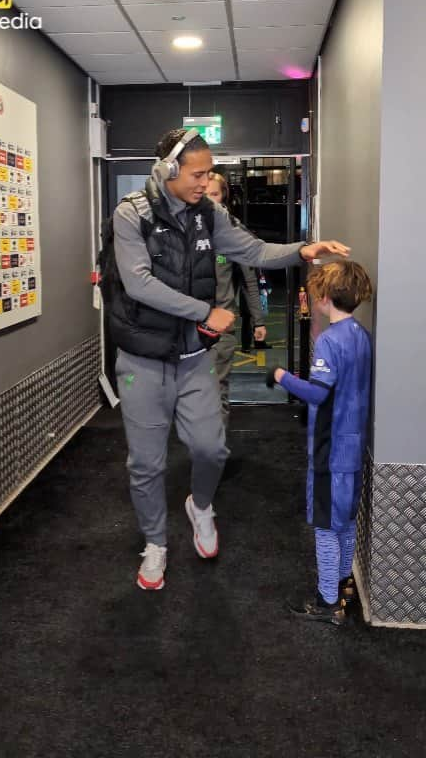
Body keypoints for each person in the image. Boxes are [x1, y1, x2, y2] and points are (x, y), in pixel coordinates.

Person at [111, 127, 350, 591]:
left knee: (211, 448)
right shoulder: (131, 216)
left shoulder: (209, 214)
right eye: (198, 174)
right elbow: (138, 283)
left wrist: (302, 250)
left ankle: (200, 505)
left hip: (193, 355)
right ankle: (155, 544)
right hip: (141, 358)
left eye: (209, 174)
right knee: (146, 463)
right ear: (167, 171)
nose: (205, 181)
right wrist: (206, 311)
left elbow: (253, 250)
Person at [266, 260, 372, 625]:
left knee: (326, 528)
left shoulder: (329, 340)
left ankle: (328, 603)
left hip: (330, 451)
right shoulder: (362, 335)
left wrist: (281, 375)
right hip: (354, 448)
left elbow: (316, 394)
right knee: (342, 523)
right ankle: (342, 586)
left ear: (325, 298)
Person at [206, 170, 266, 430]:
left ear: (224, 197)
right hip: (186, 328)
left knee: (216, 389)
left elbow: (249, 281)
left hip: (220, 329)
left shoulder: (232, 232)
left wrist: (258, 322)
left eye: (215, 194)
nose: (209, 199)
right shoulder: (184, 231)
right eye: (205, 194)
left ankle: (214, 450)